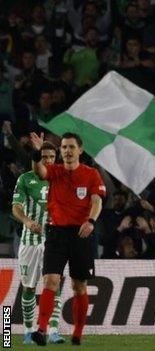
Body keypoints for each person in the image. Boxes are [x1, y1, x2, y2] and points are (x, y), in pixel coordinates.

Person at [29, 132, 106, 346]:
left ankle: (78, 333)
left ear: (80, 150)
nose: (67, 151)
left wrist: (91, 221)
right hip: (56, 233)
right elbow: (39, 169)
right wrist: (36, 153)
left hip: (81, 234)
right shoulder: (55, 171)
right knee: (50, 280)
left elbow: (97, 200)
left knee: (78, 285)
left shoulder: (91, 174)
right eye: (63, 147)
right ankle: (41, 330)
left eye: (71, 147)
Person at [12, 141, 64, 344]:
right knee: (29, 288)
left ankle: (53, 331)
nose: (49, 161)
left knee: (53, 285)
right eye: (45, 157)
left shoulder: (60, 178)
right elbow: (16, 207)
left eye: (52, 157)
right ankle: (28, 330)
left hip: (54, 240)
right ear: (38, 159)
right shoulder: (25, 179)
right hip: (30, 241)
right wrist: (27, 221)